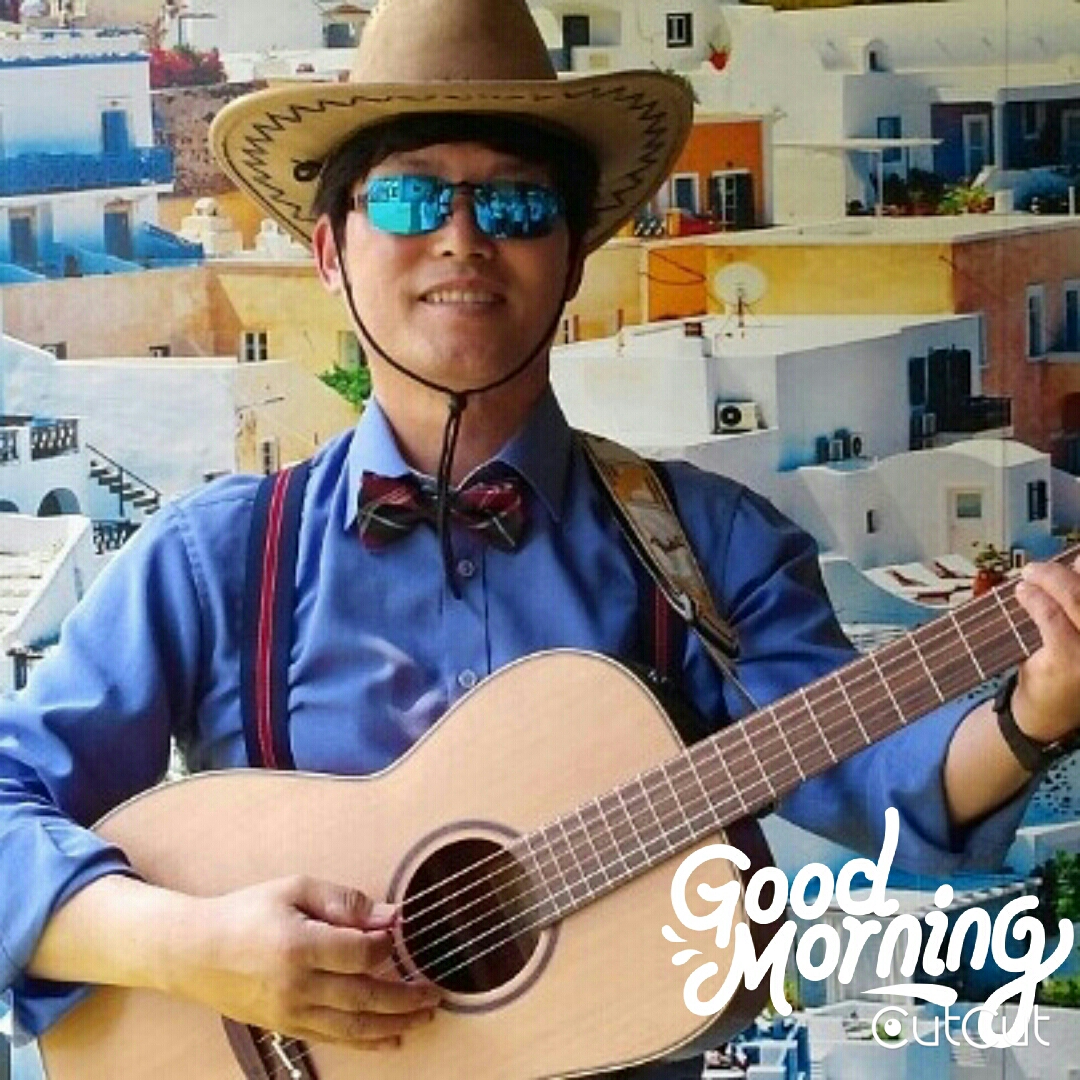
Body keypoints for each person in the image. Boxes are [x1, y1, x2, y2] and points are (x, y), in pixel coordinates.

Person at [2, 0, 1080, 1075]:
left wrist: (1036, 711)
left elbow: (880, 775)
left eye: (517, 204)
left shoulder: (709, 547)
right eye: (412, 196)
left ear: (572, 261)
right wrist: (195, 948)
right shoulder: (217, 561)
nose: (463, 238)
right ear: (330, 252)